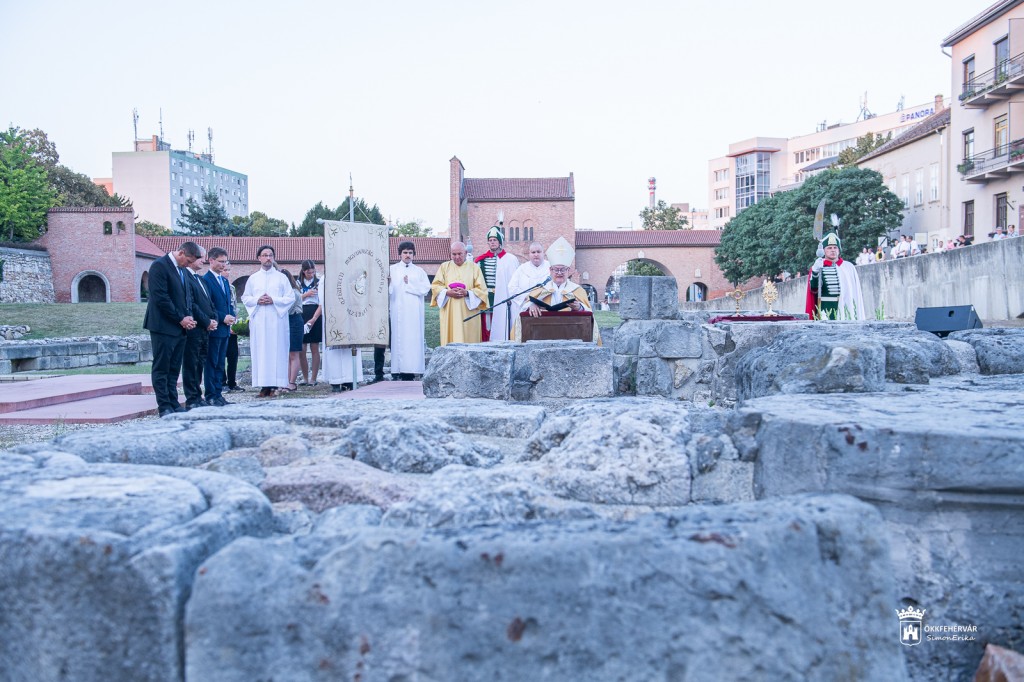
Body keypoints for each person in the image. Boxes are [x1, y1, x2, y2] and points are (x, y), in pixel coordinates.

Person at [143, 242, 200, 417]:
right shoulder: (159, 266)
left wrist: (188, 317)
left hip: (180, 327)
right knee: (162, 367)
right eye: (188, 261)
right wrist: (180, 318)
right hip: (163, 325)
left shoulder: (182, 270)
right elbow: (161, 297)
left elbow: (186, 297)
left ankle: (173, 402)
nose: (189, 265)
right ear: (181, 252)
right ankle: (164, 405)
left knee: (174, 368)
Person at [514, 237, 602, 344]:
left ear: (568, 271)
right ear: (550, 270)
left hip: (572, 336)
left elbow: (589, 315)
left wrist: (579, 307)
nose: (559, 273)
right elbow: (524, 308)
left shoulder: (578, 291)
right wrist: (531, 305)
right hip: (543, 336)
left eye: (563, 269)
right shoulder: (540, 290)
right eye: (556, 269)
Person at [241, 244, 292, 397]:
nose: (268, 258)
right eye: (265, 255)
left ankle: (276, 385)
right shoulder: (253, 278)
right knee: (261, 352)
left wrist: (273, 300)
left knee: (277, 351)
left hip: (277, 321)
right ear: (259, 258)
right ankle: (264, 386)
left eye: (270, 255)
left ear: (274, 258)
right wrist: (257, 300)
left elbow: (290, 297)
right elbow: (245, 297)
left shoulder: (282, 278)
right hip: (259, 322)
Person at [430, 241, 487, 346]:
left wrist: (467, 293)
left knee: (469, 341)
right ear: (450, 254)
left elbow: (482, 290)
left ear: (465, 252)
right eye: (454, 254)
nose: (457, 257)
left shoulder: (474, 268)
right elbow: (435, 286)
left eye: (460, 254)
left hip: (469, 312)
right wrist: (447, 292)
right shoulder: (444, 267)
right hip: (449, 311)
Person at [388, 241, 431, 380]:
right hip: (397, 310)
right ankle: (396, 370)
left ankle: (411, 370)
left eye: (410, 253)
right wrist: (388, 284)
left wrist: (409, 283)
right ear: (400, 254)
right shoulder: (392, 270)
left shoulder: (419, 271)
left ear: (414, 254)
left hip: (413, 313)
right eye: (405, 252)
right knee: (397, 338)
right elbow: (388, 290)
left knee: (412, 339)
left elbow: (426, 289)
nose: (408, 255)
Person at [314, 276, 364, 392]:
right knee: (334, 352)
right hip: (333, 315)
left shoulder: (352, 275)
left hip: (350, 315)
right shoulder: (326, 278)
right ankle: (335, 380)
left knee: (349, 349)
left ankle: (350, 379)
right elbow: (323, 300)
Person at [182, 250, 217, 409]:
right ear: (190, 258)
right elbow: (192, 304)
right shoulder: (186, 278)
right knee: (191, 363)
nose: (203, 260)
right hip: (194, 328)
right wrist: (206, 321)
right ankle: (192, 398)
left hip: (205, 329)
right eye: (200, 257)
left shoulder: (200, 279)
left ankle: (198, 396)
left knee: (200, 363)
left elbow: (209, 303)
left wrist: (214, 319)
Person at [805, 232, 867, 321]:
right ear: (824, 250)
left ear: (839, 250)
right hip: (826, 310)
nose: (833, 250)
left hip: (846, 307)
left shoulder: (848, 267)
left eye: (835, 247)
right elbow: (814, 289)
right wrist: (815, 271)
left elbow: (855, 293)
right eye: (829, 248)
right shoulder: (819, 266)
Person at [202, 247, 236, 407]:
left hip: (225, 329)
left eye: (225, 262)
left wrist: (232, 316)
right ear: (211, 260)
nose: (224, 265)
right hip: (214, 328)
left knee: (221, 363)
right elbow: (208, 305)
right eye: (221, 261)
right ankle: (210, 395)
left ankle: (218, 394)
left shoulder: (224, 281)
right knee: (212, 362)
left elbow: (229, 303)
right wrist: (222, 317)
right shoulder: (206, 280)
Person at [473, 225, 519, 342]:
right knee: (487, 326)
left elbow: (514, 280)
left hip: (504, 298)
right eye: (490, 240)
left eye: (495, 240)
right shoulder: (480, 260)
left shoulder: (510, 259)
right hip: (486, 298)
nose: (492, 242)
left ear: (500, 242)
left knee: (502, 324)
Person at [506, 241, 550, 311]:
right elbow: (512, 288)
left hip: (547, 309)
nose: (536, 254)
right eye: (533, 252)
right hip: (526, 309)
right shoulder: (522, 269)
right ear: (529, 254)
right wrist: (529, 302)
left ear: (543, 253)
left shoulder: (551, 268)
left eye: (538, 252)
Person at [280, 269, 304, 394]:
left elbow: (286, 309)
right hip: (286, 321)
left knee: (293, 353)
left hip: (294, 320)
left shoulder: (293, 293)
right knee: (287, 355)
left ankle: (292, 382)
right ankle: (286, 381)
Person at [297, 260, 321, 386]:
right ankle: (305, 378)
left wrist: (314, 318)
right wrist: (306, 294)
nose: (311, 275)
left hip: (315, 312)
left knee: (314, 347)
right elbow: (294, 299)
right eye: (308, 273)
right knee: (302, 348)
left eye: (313, 272)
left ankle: (313, 378)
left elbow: (322, 302)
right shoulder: (297, 283)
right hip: (302, 312)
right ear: (303, 271)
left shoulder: (319, 282)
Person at [222, 263, 244, 393]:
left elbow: (234, 306)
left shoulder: (231, 288)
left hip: (232, 325)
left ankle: (232, 382)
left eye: (228, 270)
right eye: (225, 270)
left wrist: (235, 323)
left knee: (233, 355)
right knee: (221, 355)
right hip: (221, 323)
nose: (227, 272)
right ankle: (222, 382)